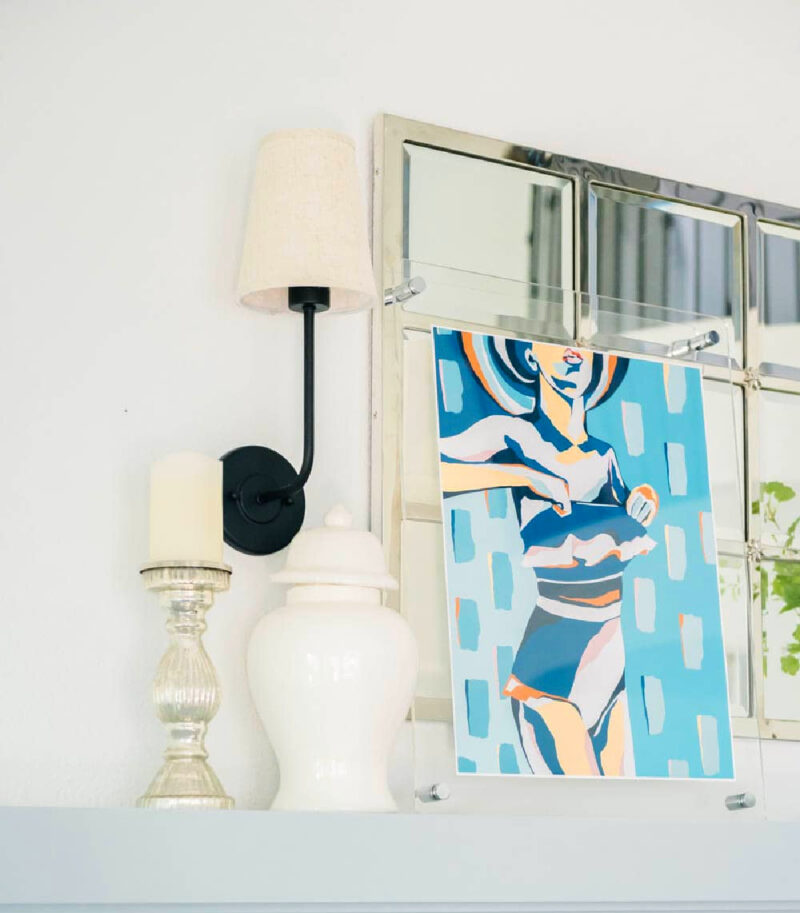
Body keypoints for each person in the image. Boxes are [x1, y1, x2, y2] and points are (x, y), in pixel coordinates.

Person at [440, 333, 658, 776]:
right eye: (557, 346)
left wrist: (645, 497)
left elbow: (629, 506)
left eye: (580, 348)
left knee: (626, 820)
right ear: (530, 354)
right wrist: (522, 474)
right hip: (550, 673)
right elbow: (438, 467)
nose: (574, 352)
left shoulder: (604, 455)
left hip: (611, 667)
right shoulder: (513, 433)